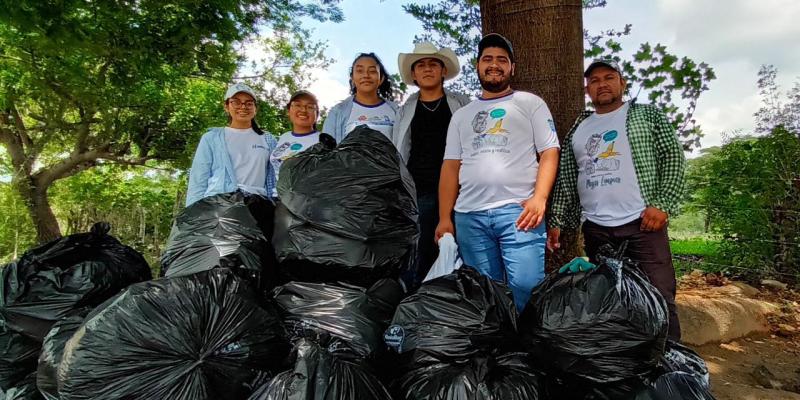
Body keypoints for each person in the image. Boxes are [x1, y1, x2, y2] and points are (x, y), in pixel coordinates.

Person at [547, 59, 686, 340]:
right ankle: (628, 361)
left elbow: (673, 157)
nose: (602, 84)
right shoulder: (579, 128)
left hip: (642, 223)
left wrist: (662, 204)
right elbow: (567, 178)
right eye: (595, 81)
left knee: (659, 295)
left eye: (609, 77)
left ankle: (672, 365)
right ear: (588, 90)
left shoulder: (646, 115)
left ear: (622, 83)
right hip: (597, 227)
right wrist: (557, 220)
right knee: (611, 297)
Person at [435, 33, 560, 312]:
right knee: (485, 293)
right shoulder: (462, 115)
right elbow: (450, 166)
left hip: (519, 213)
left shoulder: (530, 103)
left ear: (512, 68)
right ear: (477, 66)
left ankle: (525, 352)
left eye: (502, 60)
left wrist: (539, 198)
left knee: (526, 287)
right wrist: (445, 218)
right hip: (469, 216)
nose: (494, 65)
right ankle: (498, 353)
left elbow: (550, 151)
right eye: (487, 59)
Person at [393, 42, 470, 286]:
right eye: (421, 65)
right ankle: (421, 302)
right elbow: (400, 149)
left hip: (461, 189)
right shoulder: (405, 110)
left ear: (443, 70)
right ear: (414, 74)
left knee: (462, 249)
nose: (427, 69)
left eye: (433, 64)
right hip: (420, 189)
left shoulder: (461, 104)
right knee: (422, 250)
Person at [186, 83, 278, 206]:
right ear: (226, 106)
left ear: (255, 108)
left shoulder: (269, 139)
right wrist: (193, 213)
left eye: (249, 103)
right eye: (236, 102)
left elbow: (276, 179)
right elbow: (198, 180)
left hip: (257, 207)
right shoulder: (211, 138)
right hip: (219, 206)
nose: (243, 107)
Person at [322, 52, 398, 144]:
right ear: (352, 78)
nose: (366, 75)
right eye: (359, 71)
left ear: (381, 78)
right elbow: (326, 152)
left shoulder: (397, 111)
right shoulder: (337, 112)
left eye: (372, 71)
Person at [270, 90, 321, 196]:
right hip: (277, 201)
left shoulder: (323, 140)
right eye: (297, 105)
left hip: (304, 204)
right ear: (288, 111)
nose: (303, 110)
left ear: (317, 114)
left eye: (310, 107)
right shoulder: (284, 137)